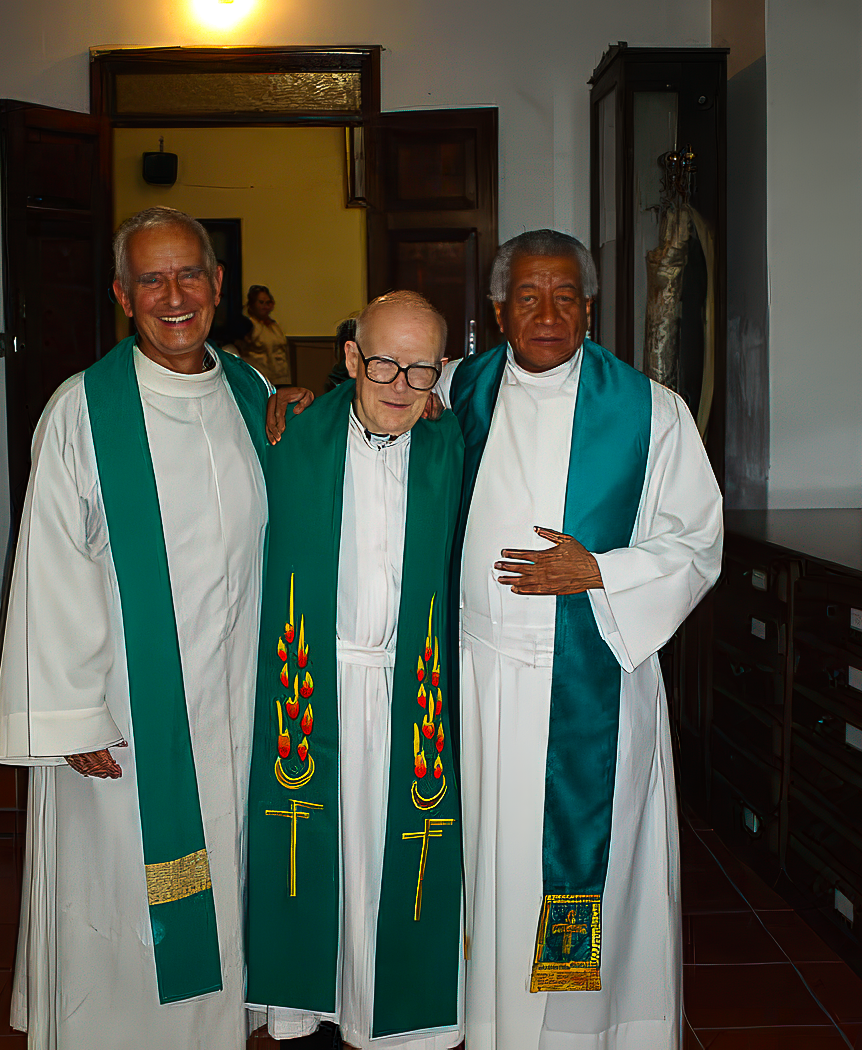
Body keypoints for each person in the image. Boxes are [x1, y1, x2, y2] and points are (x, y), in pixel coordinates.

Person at [0, 206, 309, 1050]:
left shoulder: (249, 392)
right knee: (125, 904)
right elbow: (51, 565)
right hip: (126, 720)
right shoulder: (82, 411)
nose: (174, 296)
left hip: (237, 704)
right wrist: (72, 713)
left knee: (225, 881)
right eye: (151, 280)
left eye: (188, 275)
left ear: (217, 284)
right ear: (122, 296)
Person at [436, 230, 722, 1049]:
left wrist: (599, 569)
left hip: (595, 685)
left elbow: (697, 541)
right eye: (527, 296)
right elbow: (369, 414)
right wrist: (297, 399)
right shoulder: (456, 389)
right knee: (491, 864)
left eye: (565, 296)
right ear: (498, 309)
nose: (547, 313)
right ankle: (489, 1023)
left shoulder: (647, 411)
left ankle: (588, 1036)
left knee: (593, 868)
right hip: (478, 683)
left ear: (589, 308)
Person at [246, 292, 465, 1050]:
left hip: (412, 690)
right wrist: (278, 395)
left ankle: (389, 1020)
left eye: (419, 368)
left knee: (389, 856)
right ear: (349, 358)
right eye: (382, 364)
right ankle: (309, 1007)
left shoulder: (453, 445)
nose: (400, 385)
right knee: (320, 854)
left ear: (441, 371)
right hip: (313, 686)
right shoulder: (287, 434)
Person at [233, 284, 292, 387]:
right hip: (257, 381)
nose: (265, 306)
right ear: (252, 304)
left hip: (281, 380)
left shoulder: (274, 326)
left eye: (268, 302)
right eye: (261, 302)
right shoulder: (247, 325)